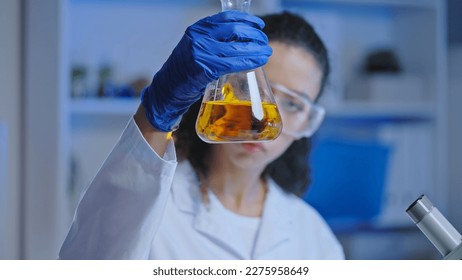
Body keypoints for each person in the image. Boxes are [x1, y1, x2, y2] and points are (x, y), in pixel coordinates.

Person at [59, 10, 344, 260]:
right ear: (219, 84)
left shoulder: (314, 237)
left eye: (294, 104)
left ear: (309, 122)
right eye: (257, 88)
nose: (263, 119)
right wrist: (153, 115)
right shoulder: (143, 199)